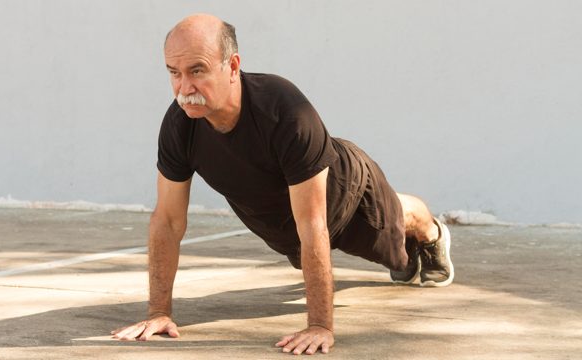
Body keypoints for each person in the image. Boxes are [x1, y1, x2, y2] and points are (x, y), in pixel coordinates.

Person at [112, 13, 454, 355]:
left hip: (347, 196)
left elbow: (312, 222)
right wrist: (159, 313)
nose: (184, 89)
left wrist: (320, 325)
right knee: (346, 248)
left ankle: (434, 234)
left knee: (399, 223)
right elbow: (168, 221)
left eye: (197, 71)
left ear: (232, 67)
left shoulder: (284, 110)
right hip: (290, 225)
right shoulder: (179, 126)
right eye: (174, 73)